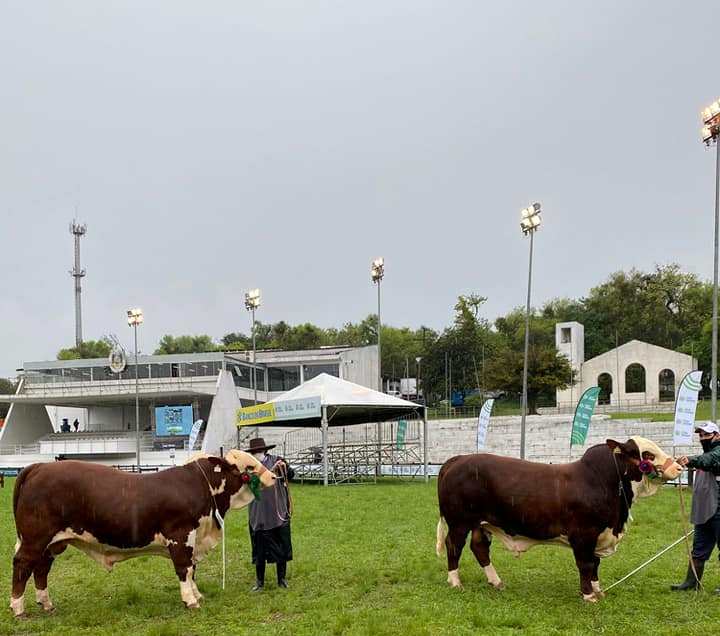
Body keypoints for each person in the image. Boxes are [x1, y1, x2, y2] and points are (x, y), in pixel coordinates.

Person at [672, 422, 720, 592]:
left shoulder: (716, 454)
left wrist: (691, 460)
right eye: (700, 435)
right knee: (699, 550)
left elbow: (710, 460)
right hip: (704, 513)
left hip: (719, 511)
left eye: (706, 435)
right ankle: (691, 583)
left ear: (717, 436)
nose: (702, 438)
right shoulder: (705, 456)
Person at [244, 437, 294, 592]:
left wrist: (284, 468)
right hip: (258, 515)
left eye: (259, 451)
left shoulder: (277, 461)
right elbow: (247, 485)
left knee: (281, 547)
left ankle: (282, 579)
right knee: (259, 550)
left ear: (265, 450)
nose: (257, 453)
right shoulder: (248, 468)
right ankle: (260, 582)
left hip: (277, 513)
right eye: (254, 452)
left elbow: (291, 474)